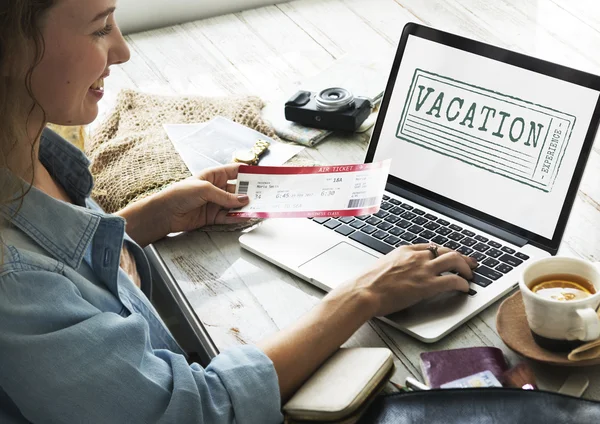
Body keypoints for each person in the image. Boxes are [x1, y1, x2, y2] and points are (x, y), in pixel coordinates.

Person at [0, 1, 478, 423]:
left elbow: (67, 267)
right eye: (100, 28)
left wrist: (148, 219)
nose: (122, 50)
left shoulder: (30, 149)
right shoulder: (14, 286)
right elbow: (199, 411)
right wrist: (362, 295)